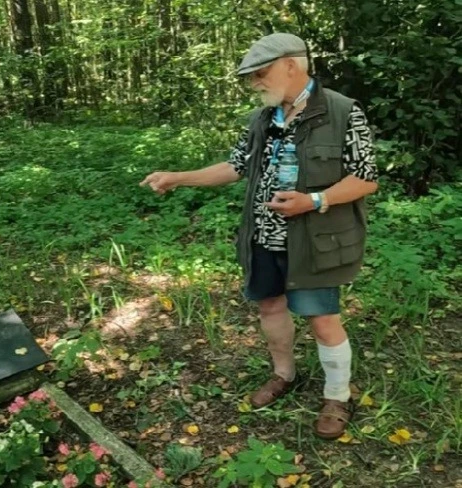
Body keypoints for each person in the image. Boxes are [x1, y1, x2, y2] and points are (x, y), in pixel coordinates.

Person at [140, 33, 378, 439]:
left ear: (291, 64)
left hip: (316, 240)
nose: (255, 84)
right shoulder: (263, 119)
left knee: (322, 319)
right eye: (250, 77)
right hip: (265, 236)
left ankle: (337, 395)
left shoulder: (342, 112)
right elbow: (236, 166)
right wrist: (179, 178)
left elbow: (366, 178)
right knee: (270, 306)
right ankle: (283, 375)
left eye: (260, 73)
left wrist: (315, 200)